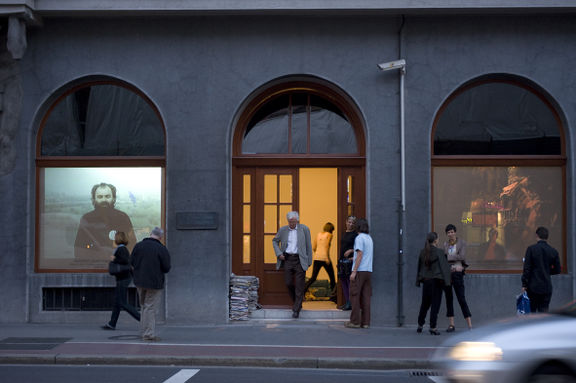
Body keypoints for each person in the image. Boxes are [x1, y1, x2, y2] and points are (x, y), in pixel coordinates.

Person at [74, 182, 137, 261]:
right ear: (94, 200)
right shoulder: (87, 219)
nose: (104, 200)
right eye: (100, 197)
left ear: (113, 198)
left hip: (118, 266)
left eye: (107, 196)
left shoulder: (123, 218)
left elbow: (132, 245)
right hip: (94, 266)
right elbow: (79, 249)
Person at [131, 227, 171, 341]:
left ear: (150, 234)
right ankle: (148, 334)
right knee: (150, 307)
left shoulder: (138, 246)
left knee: (143, 306)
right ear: (161, 237)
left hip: (139, 281)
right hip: (154, 282)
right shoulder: (161, 249)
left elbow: (132, 262)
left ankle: (143, 331)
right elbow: (166, 267)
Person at [272, 211, 313, 319]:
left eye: (294, 222)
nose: (292, 224)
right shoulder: (283, 230)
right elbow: (275, 241)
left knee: (300, 285)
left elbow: (309, 245)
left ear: (297, 221)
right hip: (288, 259)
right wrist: (279, 253)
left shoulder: (304, 229)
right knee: (288, 282)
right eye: (290, 222)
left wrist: (309, 261)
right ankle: (297, 302)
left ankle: (296, 310)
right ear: (288, 221)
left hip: (300, 259)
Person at [102, 231, 140, 330]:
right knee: (117, 302)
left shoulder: (121, 249)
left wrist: (114, 259)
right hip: (123, 278)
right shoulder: (121, 249)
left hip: (123, 278)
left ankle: (142, 319)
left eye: (115, 237)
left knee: (122, 303)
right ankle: (112, 323)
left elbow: (125, 261)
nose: (114, 239)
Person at [416, 232, 451, 335]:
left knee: (425, 304)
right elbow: (444, 268)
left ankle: (420, 325)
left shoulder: (423, 252)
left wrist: (419, 279)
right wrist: (447, 282)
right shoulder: (439, 252)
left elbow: (419, 267)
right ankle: (433, 327)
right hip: (436, 281)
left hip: (426, 280)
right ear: (436, 240)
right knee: (435, 305)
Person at [521, 226, 561, 313]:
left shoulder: (531, 249)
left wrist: (524, 284)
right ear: (547, 237)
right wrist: (546, 271)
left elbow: (527, 268)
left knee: (531, 313)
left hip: (533, 287)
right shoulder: (553, 251)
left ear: (536, 235)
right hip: (546, 287)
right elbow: (558, 270)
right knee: (543, 314)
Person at [443, 224, 472, 331]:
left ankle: (469, 324)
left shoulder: (462, 243)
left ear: (455, 232)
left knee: (461, 298)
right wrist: (453, 258)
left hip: (457, 273)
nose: (450, 234)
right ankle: (451, 324)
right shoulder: (445, 244)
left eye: (452, 232)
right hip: (448, 273)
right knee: (448, 299)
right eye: (448, 232)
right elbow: (444, 257)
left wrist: (450, 257)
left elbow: (462, 256)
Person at [345, 218, 373, 329]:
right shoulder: (369, 238)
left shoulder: (359, 238)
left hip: (360, 271)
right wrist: (354, 258)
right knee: (366, 297)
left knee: (354, 296)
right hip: (368, 271)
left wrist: (354, 271)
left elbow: (360, 254)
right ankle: (365, 322)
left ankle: (355, 321)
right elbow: (364, 255)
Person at [304, 222, 336, 301]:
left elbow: (314, 247)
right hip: (325, 258)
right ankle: (334, 296)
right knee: (332, 277)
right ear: (331, 229)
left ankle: (302, 291)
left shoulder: (319, 234)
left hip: (317, 258)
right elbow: (326, 245)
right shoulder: (329, 235)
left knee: (313, 278)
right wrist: (327, 258)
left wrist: (319, 253)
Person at [337, 216, 357, 310]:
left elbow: (359, 248)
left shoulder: (355, 235)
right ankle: (347, 302)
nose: (350, 224)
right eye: (349, 222)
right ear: (346, 222)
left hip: (349, 261)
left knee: (349, 283)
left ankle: (350, 303)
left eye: (353, 223)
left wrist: (351, 251)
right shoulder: (344, 233)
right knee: (343, 282)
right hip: (342, 261)